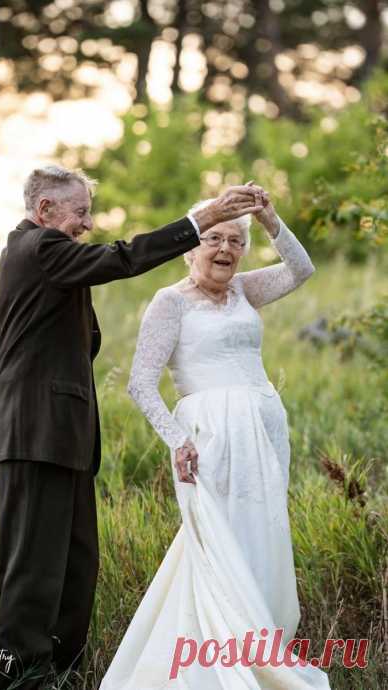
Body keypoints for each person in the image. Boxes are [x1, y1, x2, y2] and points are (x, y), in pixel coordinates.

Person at [0, 164, 265, 689]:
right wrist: (206, 218)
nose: (87, 224)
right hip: (35, 438)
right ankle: (20, 681)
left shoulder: (30, 258)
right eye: (80, 213)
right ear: (45, 211)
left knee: (75, 566)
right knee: (33, 573)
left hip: (60, 439)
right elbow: (124, 257)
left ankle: (62, 676)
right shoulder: (37, 248)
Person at [99, 185, 333, 689]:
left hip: (264, 430)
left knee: (260, 536)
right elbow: (141, 381)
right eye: (213, 239)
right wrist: (177, 440)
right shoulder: (169, 303)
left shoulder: (246, 290)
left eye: (234, 241)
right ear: (190, 248)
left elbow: (301, 270)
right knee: (216, 546)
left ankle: (256, 650)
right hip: (208, 440)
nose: (225, 250)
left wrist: (270, 220)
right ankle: (212, 666)